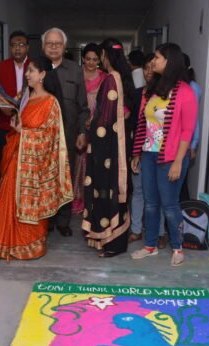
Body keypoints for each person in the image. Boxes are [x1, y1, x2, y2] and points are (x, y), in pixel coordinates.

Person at [0, 56, 73, 261]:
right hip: (17, 157)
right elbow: (13, 113)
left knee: (27, 205)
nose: (26, 74)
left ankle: (27, 245)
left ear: (42, 74)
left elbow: (50, 138)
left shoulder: (51, 102)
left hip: (33, 165)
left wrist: (22, 132)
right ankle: (4, 244)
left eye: (31, 70)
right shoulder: (25, 96)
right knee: (7, 202)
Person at [130, 43, 198, 266]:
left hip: (170, 157)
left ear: (169, 61)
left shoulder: (185, 92)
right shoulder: (153, 89)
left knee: (169, 204)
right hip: (149, 154)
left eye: (157, 57)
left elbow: (187, 131)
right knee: (150, 203)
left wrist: (178, 161)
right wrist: (138, 153)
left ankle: (178, 247)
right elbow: (144, 124)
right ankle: (150, 245)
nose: (153, 61)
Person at [82, 39, 135, 257]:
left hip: (108, 147)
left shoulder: (111, 79)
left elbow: (105, 118)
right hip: (116, 143)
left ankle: (113, 242)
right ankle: (110, 239)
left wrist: (91, 128)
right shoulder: (120, 77)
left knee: (107, 188)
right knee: (112, 189)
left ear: (104, 54)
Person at [42, 27, 89, 237]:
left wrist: (82, 132)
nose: (53, 47)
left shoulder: (75, 70)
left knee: (64, 178)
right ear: (43, 46)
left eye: (58, 43)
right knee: (45, 179)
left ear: (64, 46)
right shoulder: (36, 68)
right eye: (49, 43)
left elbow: (83, 106)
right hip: (42, 137)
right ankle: (46, 219)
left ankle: (63, 220)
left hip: (68, 136)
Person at [129, 53, 167, 248]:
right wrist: (134, 152)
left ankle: (160, 233)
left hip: (160, 151)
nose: (149, 71)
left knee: (158, 193)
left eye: (153, 66)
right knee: (138, 190)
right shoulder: (137, 94)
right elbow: (134, 125)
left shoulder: (165, 94)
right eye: (146, 67)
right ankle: (136, 230)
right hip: (140, 149)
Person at [72, 43, 105, 214]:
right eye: (88, 59)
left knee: (94, 161)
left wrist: (96, 119)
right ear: (83, 59)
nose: (91, 62)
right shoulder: (76, 75)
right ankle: (78, 198)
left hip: (98, 124)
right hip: (78, 122)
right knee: (78, 161)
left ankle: (92, 199)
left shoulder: (104, 78)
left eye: (95, 59)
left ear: (99, 60)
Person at [0, 31, 30, 177]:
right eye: (14, 45)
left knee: (26, 164)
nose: (17, 48)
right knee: (5, 164)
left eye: (21, 44)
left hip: (28, 125)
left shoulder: (34, 66)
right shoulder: (0, 66)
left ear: (27, 47)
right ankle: (4, 190)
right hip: (5, 125)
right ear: (10, 47)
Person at [180, 52, 202, 201]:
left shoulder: (192, 88)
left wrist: (193, 145)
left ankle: (184, 214)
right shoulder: (172, 86)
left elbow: (193, 120)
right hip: (171, 143)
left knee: (180, 186)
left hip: (185, 142)